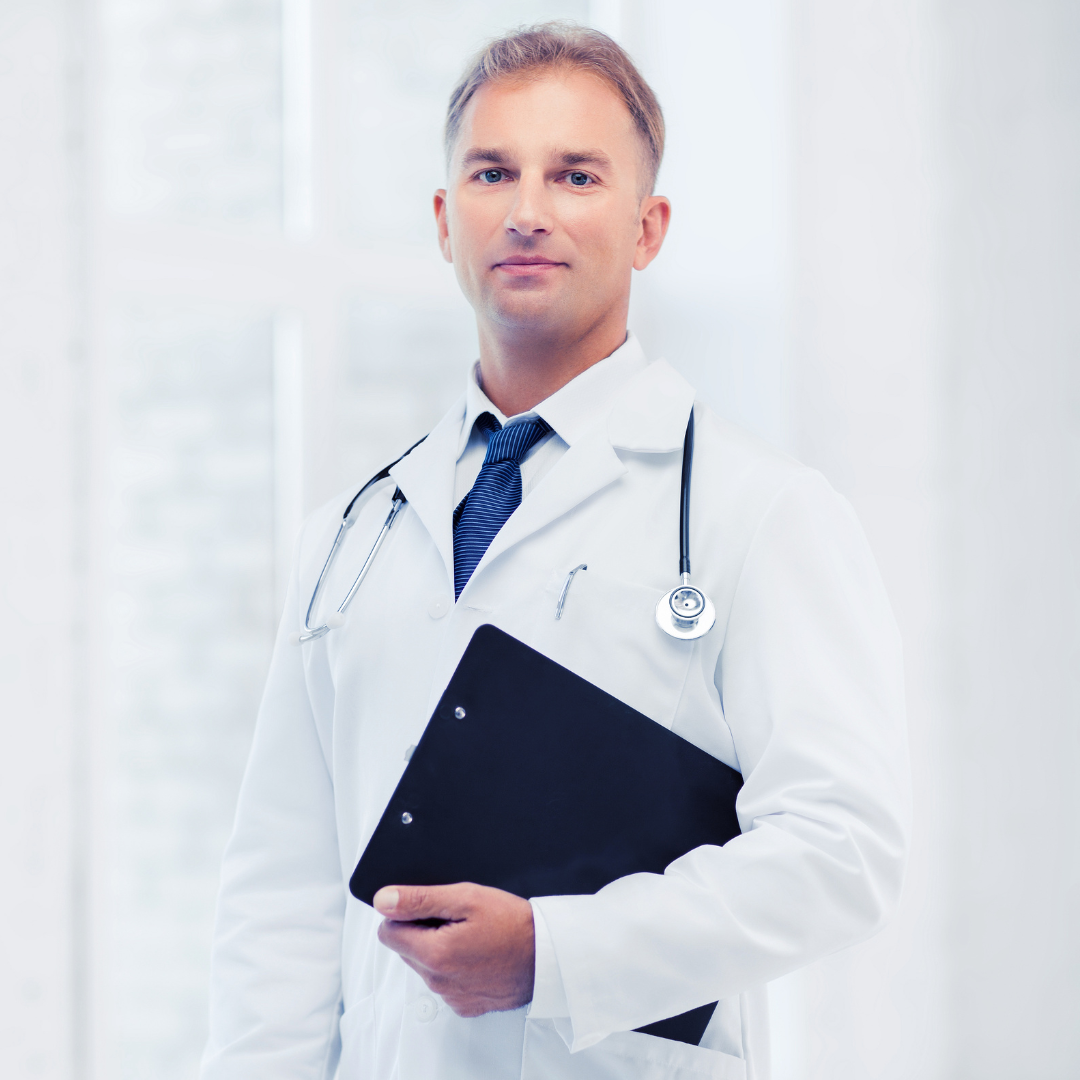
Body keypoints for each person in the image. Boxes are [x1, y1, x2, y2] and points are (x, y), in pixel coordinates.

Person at [201, 23, 909, 1080]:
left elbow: (842, 850)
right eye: (493, 173)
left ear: (647, 227)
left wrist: (555, 954)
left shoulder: (760, 512)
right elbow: (281, 898)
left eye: (576, 175)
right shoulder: (352, 533)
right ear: (445, 221)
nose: (527, 210)